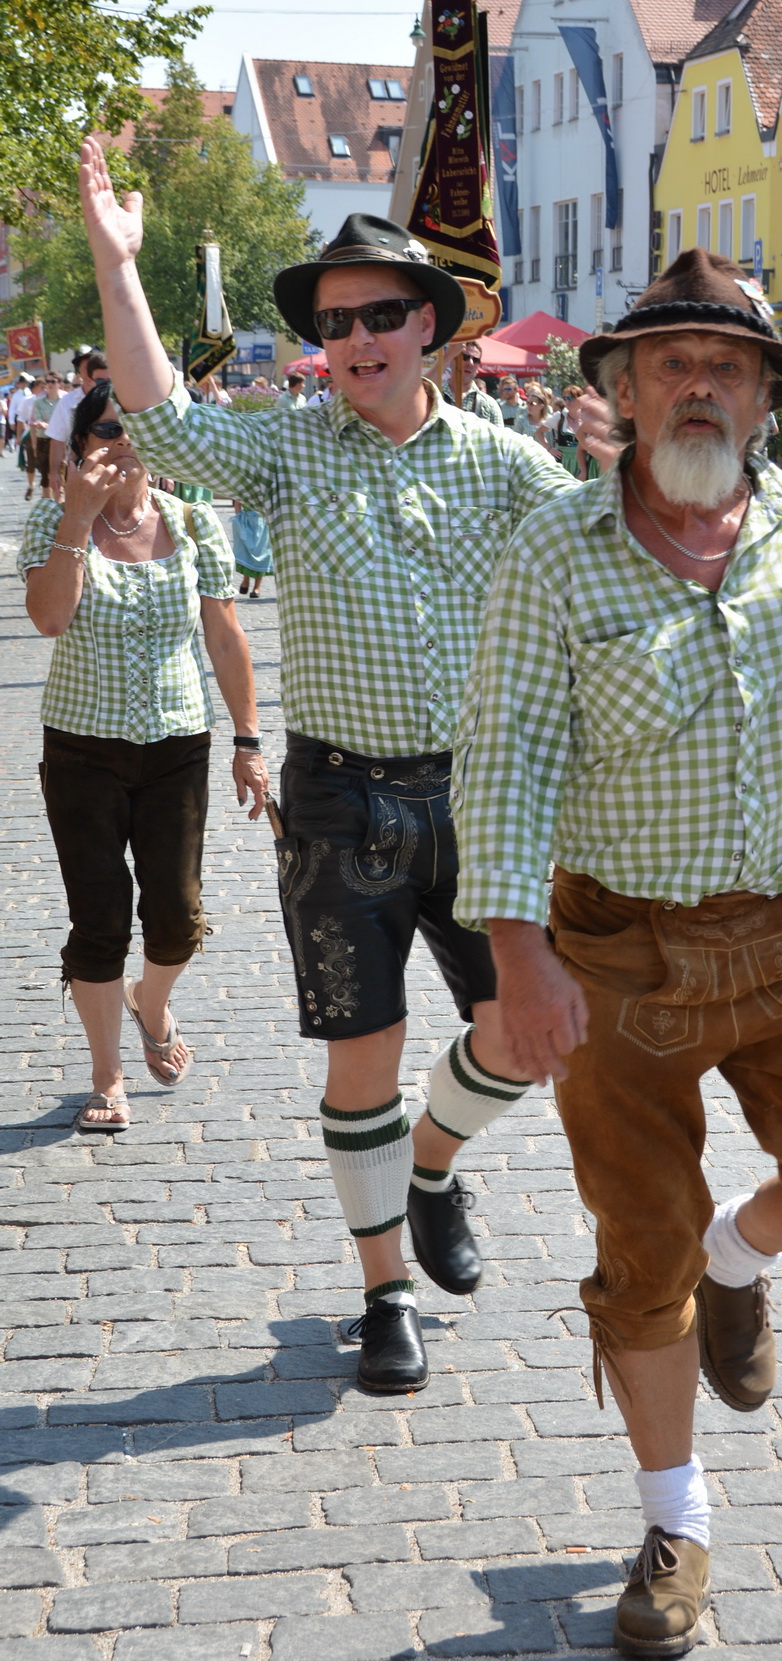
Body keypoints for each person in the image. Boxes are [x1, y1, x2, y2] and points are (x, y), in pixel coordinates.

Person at [452, 248, 782, 1660]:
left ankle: (741, 1255)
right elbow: (505, 760)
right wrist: (516, 960)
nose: (700, 385)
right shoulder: (553, 548)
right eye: (671, 362)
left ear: (765, 395)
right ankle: (676, 1522)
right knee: (632, 1252)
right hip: (617, 959)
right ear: (618, 387)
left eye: (727, 366)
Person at [77, 134, 582, 1393]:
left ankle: (431, 1168)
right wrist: (116, 261)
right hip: (340, 796)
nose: (359, 335)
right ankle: (384, 1293)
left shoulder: (512, 465)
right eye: (338, 319)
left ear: (432, 327)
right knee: (361, 1053)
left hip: (481, 796)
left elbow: (597, 587)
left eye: (383, 315)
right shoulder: (290, 449)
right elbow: (162, 418)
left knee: (524, 1038)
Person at [18, 381, 267, 1131]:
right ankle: (107, 1076)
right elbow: (50, 618)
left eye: (134, 430)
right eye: (104, 430)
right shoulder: (51, 523)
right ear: (82, 442)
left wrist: (249, 742)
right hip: (82, 749)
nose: (120, 442)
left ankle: (150, 1003)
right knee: (99, 918)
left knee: (178, 917)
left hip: (177, 745)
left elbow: (225, 638)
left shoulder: (192, 524)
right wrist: (78, 519)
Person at [46, 350, 111, 499]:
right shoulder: (68, 402)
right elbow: (57, 439)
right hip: (80, 469)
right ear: (87, 377)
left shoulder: (121, 400)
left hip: (114, 467)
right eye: (84, 366)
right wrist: (55, 473)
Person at [231, 500, 273, 599]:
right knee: (246, 552)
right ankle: (246, 580)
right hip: (246, 521)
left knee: (261, 553)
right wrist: (238, 517)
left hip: (262, 522)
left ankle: (257, 587)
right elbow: (237, 501)